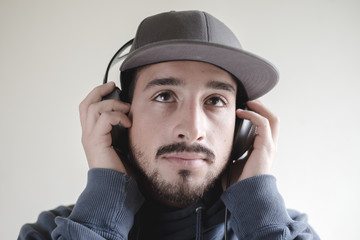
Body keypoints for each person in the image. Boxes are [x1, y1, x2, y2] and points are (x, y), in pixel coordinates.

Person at [18, 10, 319, 240]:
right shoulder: (47, 233)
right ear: (121, 116)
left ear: (244, 130)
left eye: (215, 101)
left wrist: (259, 212)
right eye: (164, 95)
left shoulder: (281, 229)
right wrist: (100, 213)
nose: (191, 128)